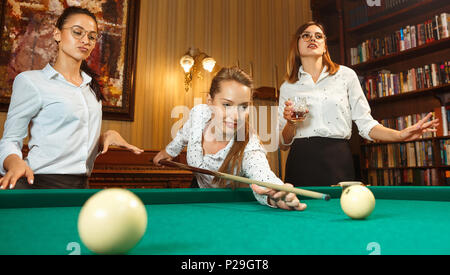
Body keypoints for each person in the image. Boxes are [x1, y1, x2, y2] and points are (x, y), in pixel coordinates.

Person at [279, 21, 439, 187]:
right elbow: (283, 144)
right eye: (306, 35)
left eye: (318, 36)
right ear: (296, 46)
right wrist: (291, 123)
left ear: (325, 46)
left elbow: (366, 124)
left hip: (338, 160)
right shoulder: (287, 87)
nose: (312, 38)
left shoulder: (346, 76)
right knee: (299, 213)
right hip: (300, 162)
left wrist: (399, 135)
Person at [0, 7, 143, 190]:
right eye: (77, 32)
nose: (85, 40)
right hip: (39, 183)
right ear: (57, 34)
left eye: (91, 37)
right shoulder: (31, 81)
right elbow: (10, 139)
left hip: (81, 185)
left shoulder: (92, 89)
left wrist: (105, 138)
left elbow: (73, 142)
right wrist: (14, 162)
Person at [154, 67, 306, 211]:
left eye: (243, 106)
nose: (235, 116)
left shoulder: (250, 145)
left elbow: (262, 174)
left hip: (228, 204)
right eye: (227, 104)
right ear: (210, 101)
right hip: (197, 192)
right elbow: (183, 135)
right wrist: (169, 151)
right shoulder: (199, 114)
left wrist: (276, 195)